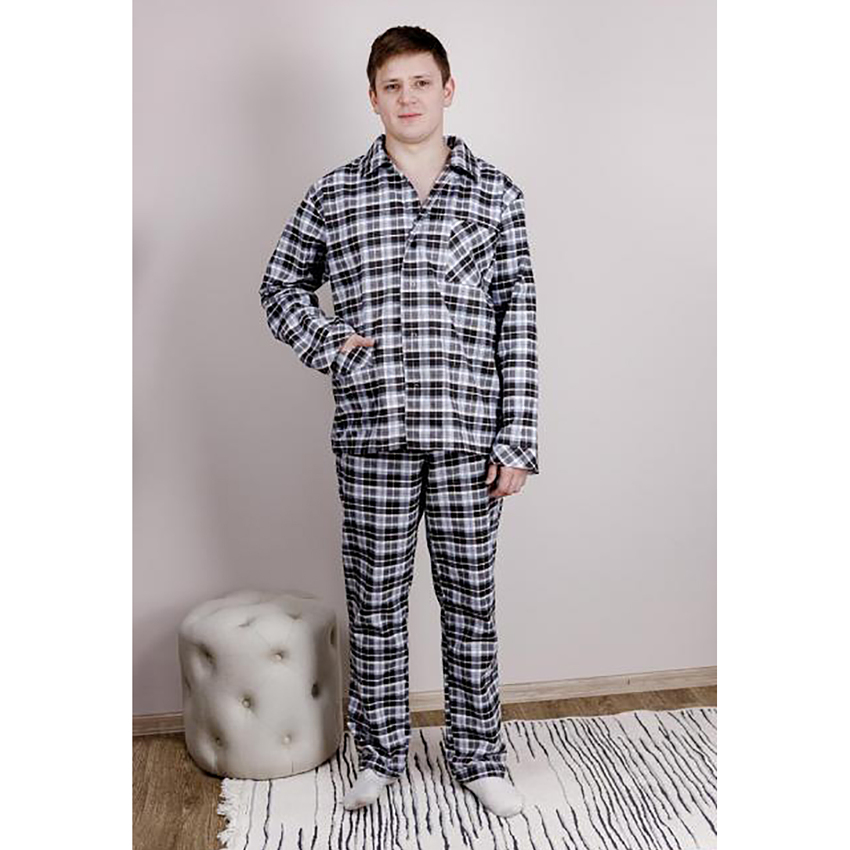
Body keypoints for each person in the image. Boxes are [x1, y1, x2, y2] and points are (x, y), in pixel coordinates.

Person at [259, 25, 539, 819]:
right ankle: (380, 755)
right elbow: (280, 288)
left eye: (421, 83)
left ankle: (477, 754)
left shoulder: (496, 194)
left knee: (470, 603)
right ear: (373, 98)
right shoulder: (335, 193)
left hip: (468, 437)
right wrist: (334, 347)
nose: (408, 98)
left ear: (447, 89)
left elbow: (518, 321)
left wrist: (517, 438)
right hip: (371, 433)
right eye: (393, 86)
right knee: (376, 601)